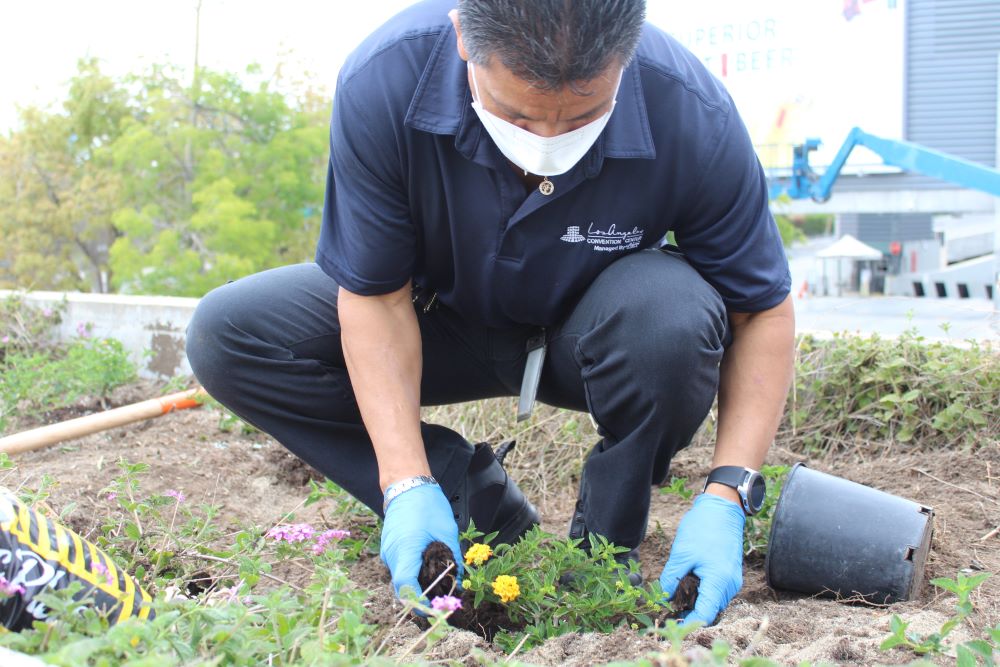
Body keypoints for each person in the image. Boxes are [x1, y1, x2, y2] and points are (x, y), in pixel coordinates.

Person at [186, 0, 794, 627]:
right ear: (463, 41)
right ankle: (467, 504)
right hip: (436, 316)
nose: (547, 146)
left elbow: (762, 312)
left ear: (628, 51)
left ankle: (605, 549)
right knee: (230, 334)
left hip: (591, 337)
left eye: (584, 116)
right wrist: (402, 482)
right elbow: (375, 295)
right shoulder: (386, 78)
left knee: (674, 318)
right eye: (516, 116)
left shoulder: (692, 109)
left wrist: (729, 493)